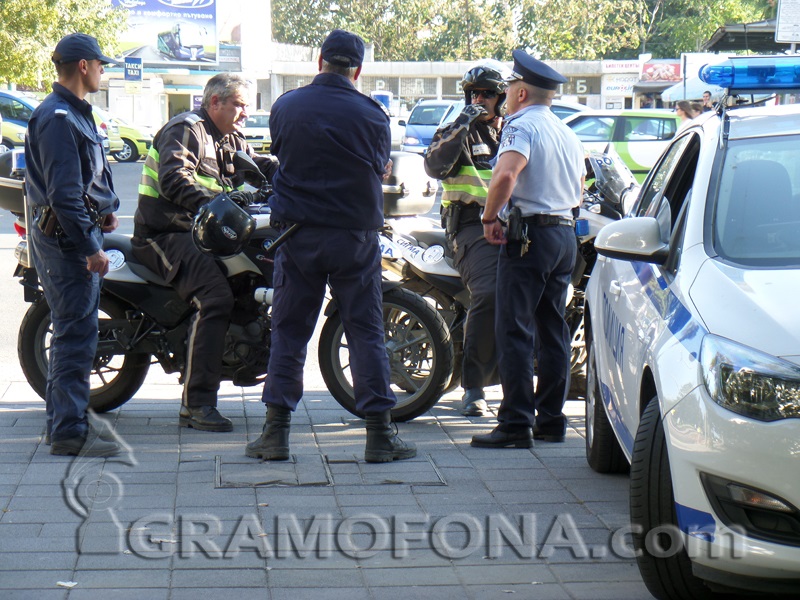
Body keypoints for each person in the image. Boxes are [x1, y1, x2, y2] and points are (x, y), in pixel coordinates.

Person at [245, 29, 416, 464]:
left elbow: (283, 153)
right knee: (364, 332)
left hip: (298, 235)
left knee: (289, 331)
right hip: (353, 239)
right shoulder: (374, 115)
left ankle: (276, 434)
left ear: (319, 61)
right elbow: (379, 169)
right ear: (357, 69)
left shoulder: (285, 106)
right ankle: (379, 435)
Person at [132, 73, 278, 432]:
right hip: (165, 233)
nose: (246, 113)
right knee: (215, 297)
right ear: (215, 102)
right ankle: (196, 403)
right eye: (240, 105)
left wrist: (297, 177)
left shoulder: (230, 136)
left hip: (204, 233)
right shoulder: (187, 128)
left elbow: (257, 166)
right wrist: (215, 204)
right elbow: (174, 178)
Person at [471, 50, 585, 449]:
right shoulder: (567, 131)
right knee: (552, 329)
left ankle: (516, 423)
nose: (504, 96)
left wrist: (489, 218)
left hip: (530, 237)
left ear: (520, 93)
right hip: (564, 237)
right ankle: (551, 419)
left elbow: (506, 173)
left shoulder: (520, 126)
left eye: (507, 89)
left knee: (514, 328)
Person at [25, 33, 122, 457]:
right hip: (67, 244)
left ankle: (65, 424)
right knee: (74, 335)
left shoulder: (74, 113)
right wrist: (90, 248)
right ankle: (68, 433)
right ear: (83, 66)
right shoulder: (60, 118)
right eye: (100, 63)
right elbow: (63, 196)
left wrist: (104, 209)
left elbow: (81, 182)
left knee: (76, 332)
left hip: (72, 235)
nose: (103, 69)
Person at [423, 65, 506, 417]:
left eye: (486, 93)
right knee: (488, 293)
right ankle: (473, 387)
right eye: (473, 93)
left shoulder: (515, 131)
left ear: (501, 97)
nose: (479, 99)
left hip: (514, 226)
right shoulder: (457, 131)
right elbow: (435, 166)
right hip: (470, 227)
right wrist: (462, 124)